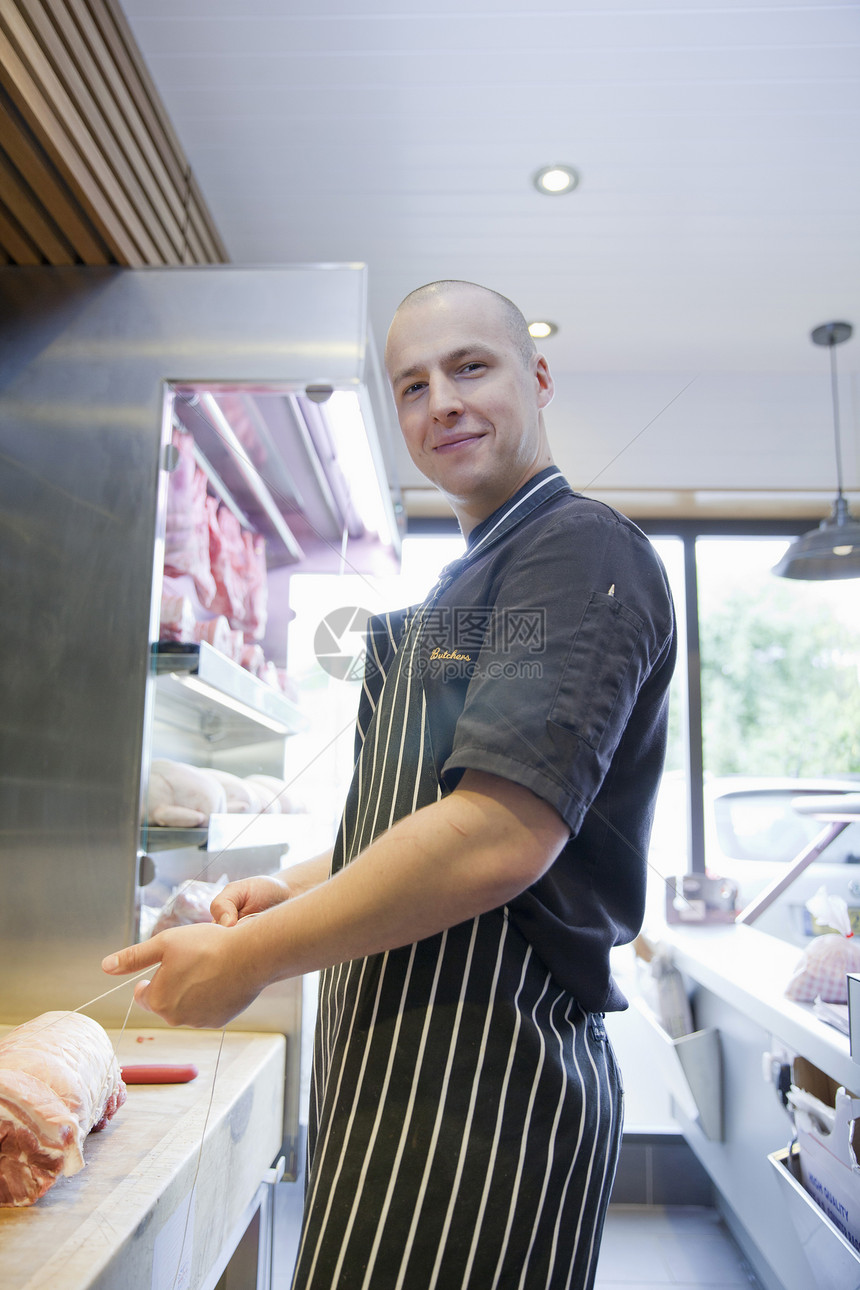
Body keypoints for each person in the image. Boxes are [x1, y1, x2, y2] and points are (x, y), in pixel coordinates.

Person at [104, 280, 676, 1289]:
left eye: (469, 368)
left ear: (535, 379)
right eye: (411, 386)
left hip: (485, 1088)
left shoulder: (576, 550)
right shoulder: (467, 583)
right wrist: (287, 889)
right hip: (400, 1069)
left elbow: (495, 834)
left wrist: (251, 961)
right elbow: (416, 819)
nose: (440, 403)